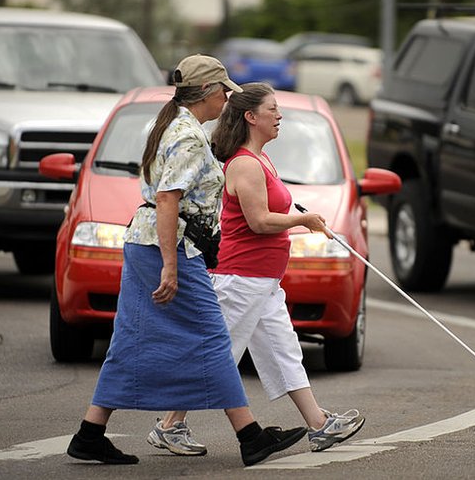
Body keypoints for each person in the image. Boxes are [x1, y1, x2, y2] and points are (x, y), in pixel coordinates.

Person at [66, 56, 307, 467]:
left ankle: (90, 433)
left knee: (130, 339)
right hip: (168, 249)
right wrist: (170, 265)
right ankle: (250, 436)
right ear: (210, 92)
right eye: (224, 89)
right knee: (212, 338)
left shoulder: (174, 125)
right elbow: (167, 199)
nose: (228, 97)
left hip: (152, 245)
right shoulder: (186, 135)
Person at [146, 82, 365, 458]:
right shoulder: (245, 164)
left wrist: (300, 216)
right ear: (251, 117)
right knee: (216, 355)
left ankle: (319, 425)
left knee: (284, 351)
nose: (279, 116)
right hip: (239, 278)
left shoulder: (261, 160)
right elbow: (259, 221)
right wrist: (303, 219)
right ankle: (169, 425)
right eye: (272, 109)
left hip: (262, 281)